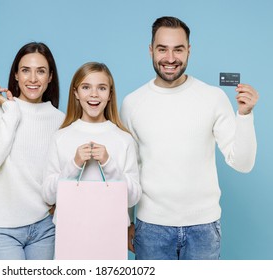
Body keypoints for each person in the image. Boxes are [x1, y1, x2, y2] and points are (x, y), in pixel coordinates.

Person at [120, 16, 258, 260]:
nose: (170, 58)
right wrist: (126, 222)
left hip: (204, 229)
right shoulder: (132, 103)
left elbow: (243, 163)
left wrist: (245, 116)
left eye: (178, 49)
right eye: (162, 49)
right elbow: (128, 170)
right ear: (151, 50)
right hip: (150, 228)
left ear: (189, 51)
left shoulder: (213, 98)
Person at [42, 62, 142, 250]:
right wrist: (74, 165)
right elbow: (47, 194)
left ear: (110, 94)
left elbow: (133, 197)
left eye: (101, 88)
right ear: (76, 93)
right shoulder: (61, 137)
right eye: (86, 87)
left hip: (111, 235)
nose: (94, 94)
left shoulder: (123, 140)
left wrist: (109, 164)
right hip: (70, 234)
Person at [0, 42, 65, 260]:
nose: (33, 78)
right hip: (3, 229)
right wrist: (12, 112)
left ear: (50, 77)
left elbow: (62, 173)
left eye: (41, 71)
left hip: (45, 227)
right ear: (16, 75)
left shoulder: (61, 120)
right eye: (26, 70)